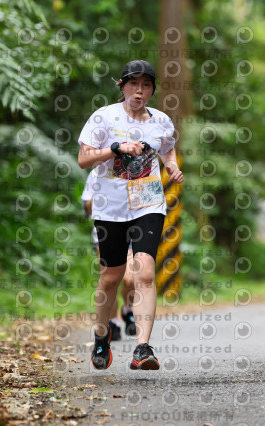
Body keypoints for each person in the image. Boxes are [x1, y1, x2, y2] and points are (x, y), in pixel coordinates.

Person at [77, 60, 183, 370]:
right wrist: (116, 148)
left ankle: (143, 348)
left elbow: (168, 147)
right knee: (111, 278)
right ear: (122, 86)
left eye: (146, 85)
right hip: (110, 206)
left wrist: (171, 165)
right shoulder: (104, 117)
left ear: (152, 89)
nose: (140, 91)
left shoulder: (161, 121)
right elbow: (84, 159)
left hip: (147, 203)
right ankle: (102, 335)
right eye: (133, 84)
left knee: (145, 273)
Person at [80, 172, 137, 341]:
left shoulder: (136, 168)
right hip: (104, 233)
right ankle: (113, 322)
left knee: (130, 280)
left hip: (132, 231)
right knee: (111, 281)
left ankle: (127, 309)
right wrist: (103, 193)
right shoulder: (97, 173)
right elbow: (87, 209)